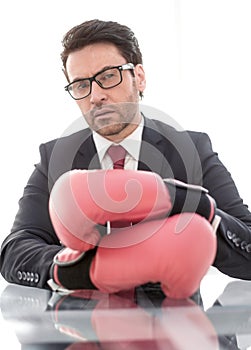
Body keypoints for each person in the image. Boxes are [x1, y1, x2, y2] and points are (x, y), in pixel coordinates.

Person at [1, 19, 251, 299]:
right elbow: (15, 249)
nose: (96, 96)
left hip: (178, 327)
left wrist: (192, 204)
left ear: (139, 77)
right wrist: (82, 270)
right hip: (81, 331)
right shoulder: (54, 158)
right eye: (81, 85)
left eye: (108, 76)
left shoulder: (191, 148)